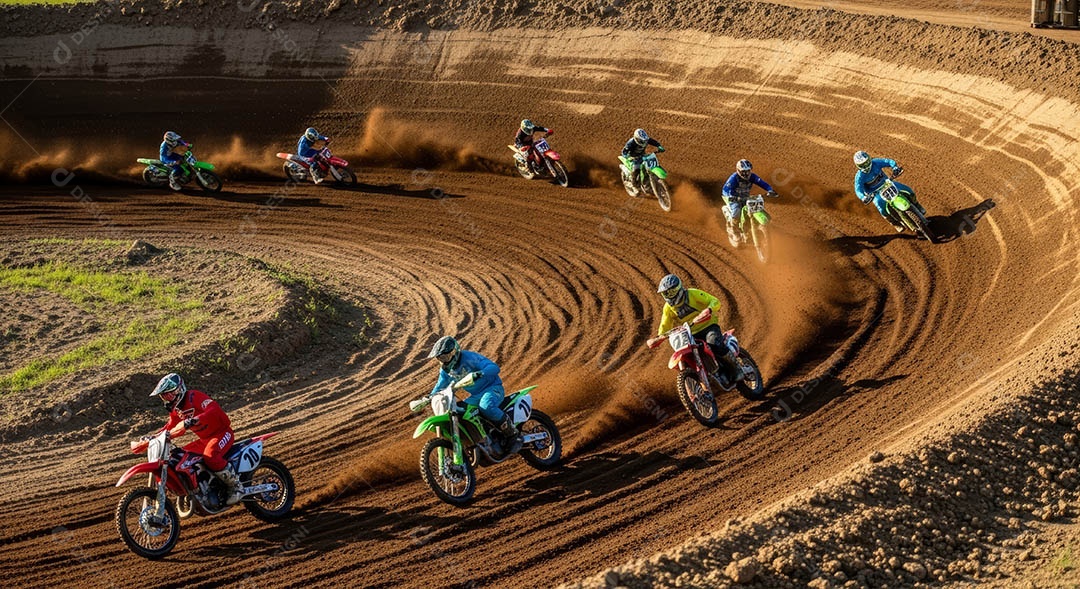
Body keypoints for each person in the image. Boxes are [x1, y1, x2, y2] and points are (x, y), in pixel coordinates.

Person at [148, 373, 243, 506]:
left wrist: (196, 419)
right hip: (204, 439)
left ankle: (236, 486)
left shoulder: (194, 396)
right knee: (179, 457)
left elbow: (214, 409)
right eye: (163, 397)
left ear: (178, 390)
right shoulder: (177, 410)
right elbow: (169, 427)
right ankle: (197, 487)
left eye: (168, 395)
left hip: (221, 433)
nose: (167, 400)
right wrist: (153, 437)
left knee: (210, 456)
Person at [427, 335, 522, 455]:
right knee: (462, 412)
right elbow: (439, 386)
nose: (443, 361)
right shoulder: (445, 371)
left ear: (453, 352)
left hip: (493, 388)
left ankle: (513, 433)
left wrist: (481, 373)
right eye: (440, 359)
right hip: (475, 396)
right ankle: (481, 439)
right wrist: (429, 397)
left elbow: (494, 367)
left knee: (486, 406)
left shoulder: (469, 357)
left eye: (445, 357)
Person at [656, 274, 742, 387]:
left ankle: (737, 369)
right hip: (690, 334)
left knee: (713, 343)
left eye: (670, 292)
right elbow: (664, 326)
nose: (668, 296)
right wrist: (657, 338)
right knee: (688, 353)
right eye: (665, 293)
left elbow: (715, 301)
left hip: (708, 326)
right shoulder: (668, 308)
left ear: (678, 289)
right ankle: (702, 378)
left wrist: (709, 309)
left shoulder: (692, 294)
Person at [853, 150, 925, 232]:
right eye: (863, 164)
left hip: (888, 184)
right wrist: (863, 197)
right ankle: (895, 223)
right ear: (858, 166)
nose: (866, 165)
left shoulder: (875, 162)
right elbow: (858, 190)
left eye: (867, 162)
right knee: (881, 208)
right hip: (876, 193)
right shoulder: (859, 177)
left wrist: (895, 167)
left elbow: (888, 161)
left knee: (908, 190)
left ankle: (917, 205)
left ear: (869, 159)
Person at [721, 159, 777, 244]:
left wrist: (770, 190)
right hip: (731, 197)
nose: (746, 174)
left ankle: (751, 226)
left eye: (748, 171)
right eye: (743, 172)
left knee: (754, 206)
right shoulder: (734, 178)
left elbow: (762, 183)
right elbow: (726, 189)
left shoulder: (752, 176)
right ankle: (734, 230)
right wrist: (732, 196)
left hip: (744, 197)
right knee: (737, 210)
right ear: (738, 171)